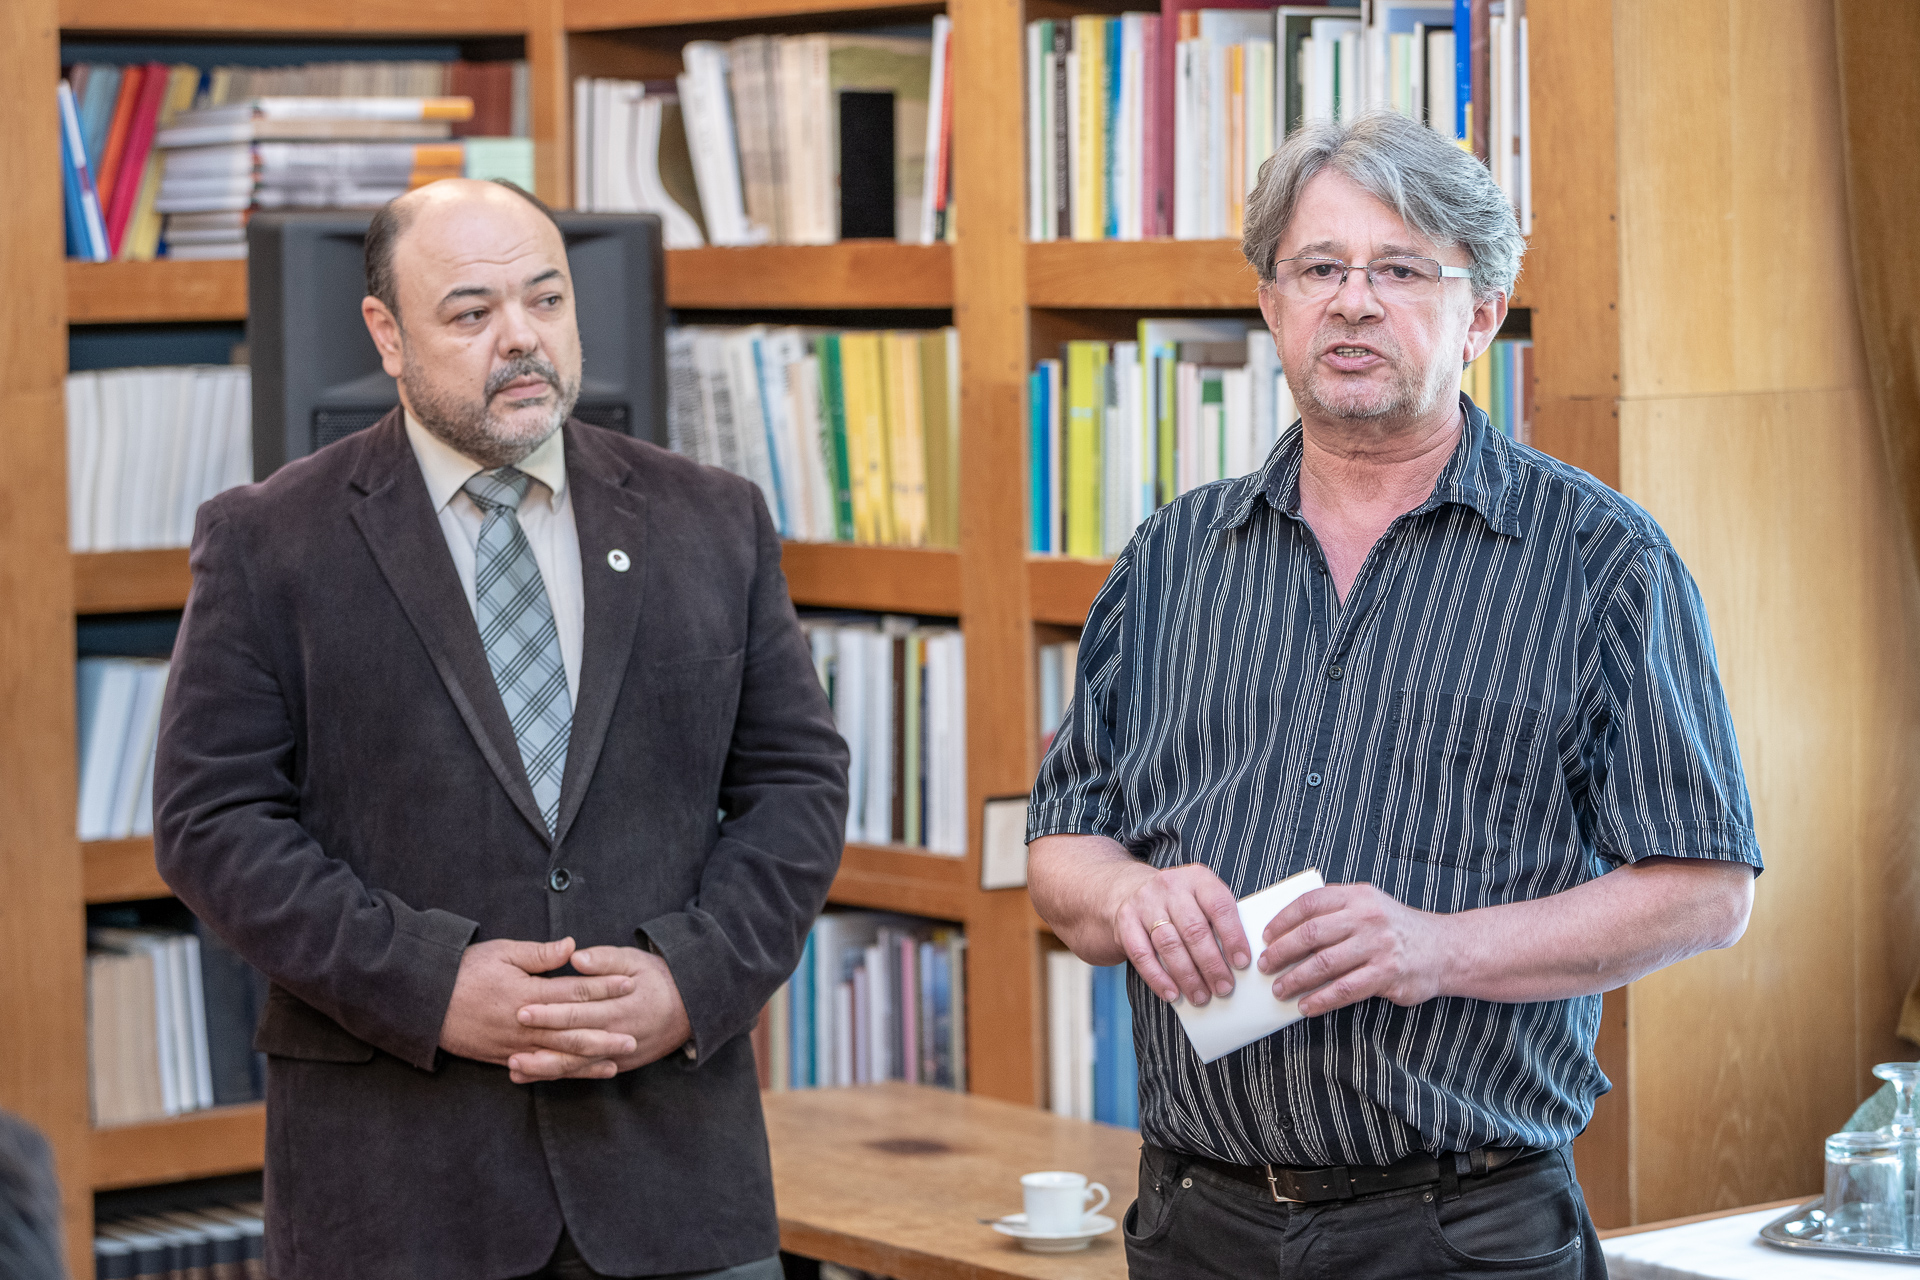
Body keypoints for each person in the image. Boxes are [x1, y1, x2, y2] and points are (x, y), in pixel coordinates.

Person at [1026, 111, 1761, 1279]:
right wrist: (1128, 894)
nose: (1354, 302)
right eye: (1320, 268)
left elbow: (1706, 889)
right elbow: (1064, 844)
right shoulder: (1169, 559)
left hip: (1461, 1227)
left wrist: (1436, 947)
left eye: (1402, 270)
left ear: (1482, 316)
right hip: (1194, 1221)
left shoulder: (1600, 561)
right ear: (1272, 305)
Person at [154, 179, 849, 1280]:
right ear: (387, 334)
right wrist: (427, 982)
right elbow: (213, 825)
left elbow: (797, 786)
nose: (521, 337)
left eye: (546, 298)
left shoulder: (713, 517)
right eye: (472, 312)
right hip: (398, 1195)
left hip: (673, 1186)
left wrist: (692, 980)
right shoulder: (268, 540)